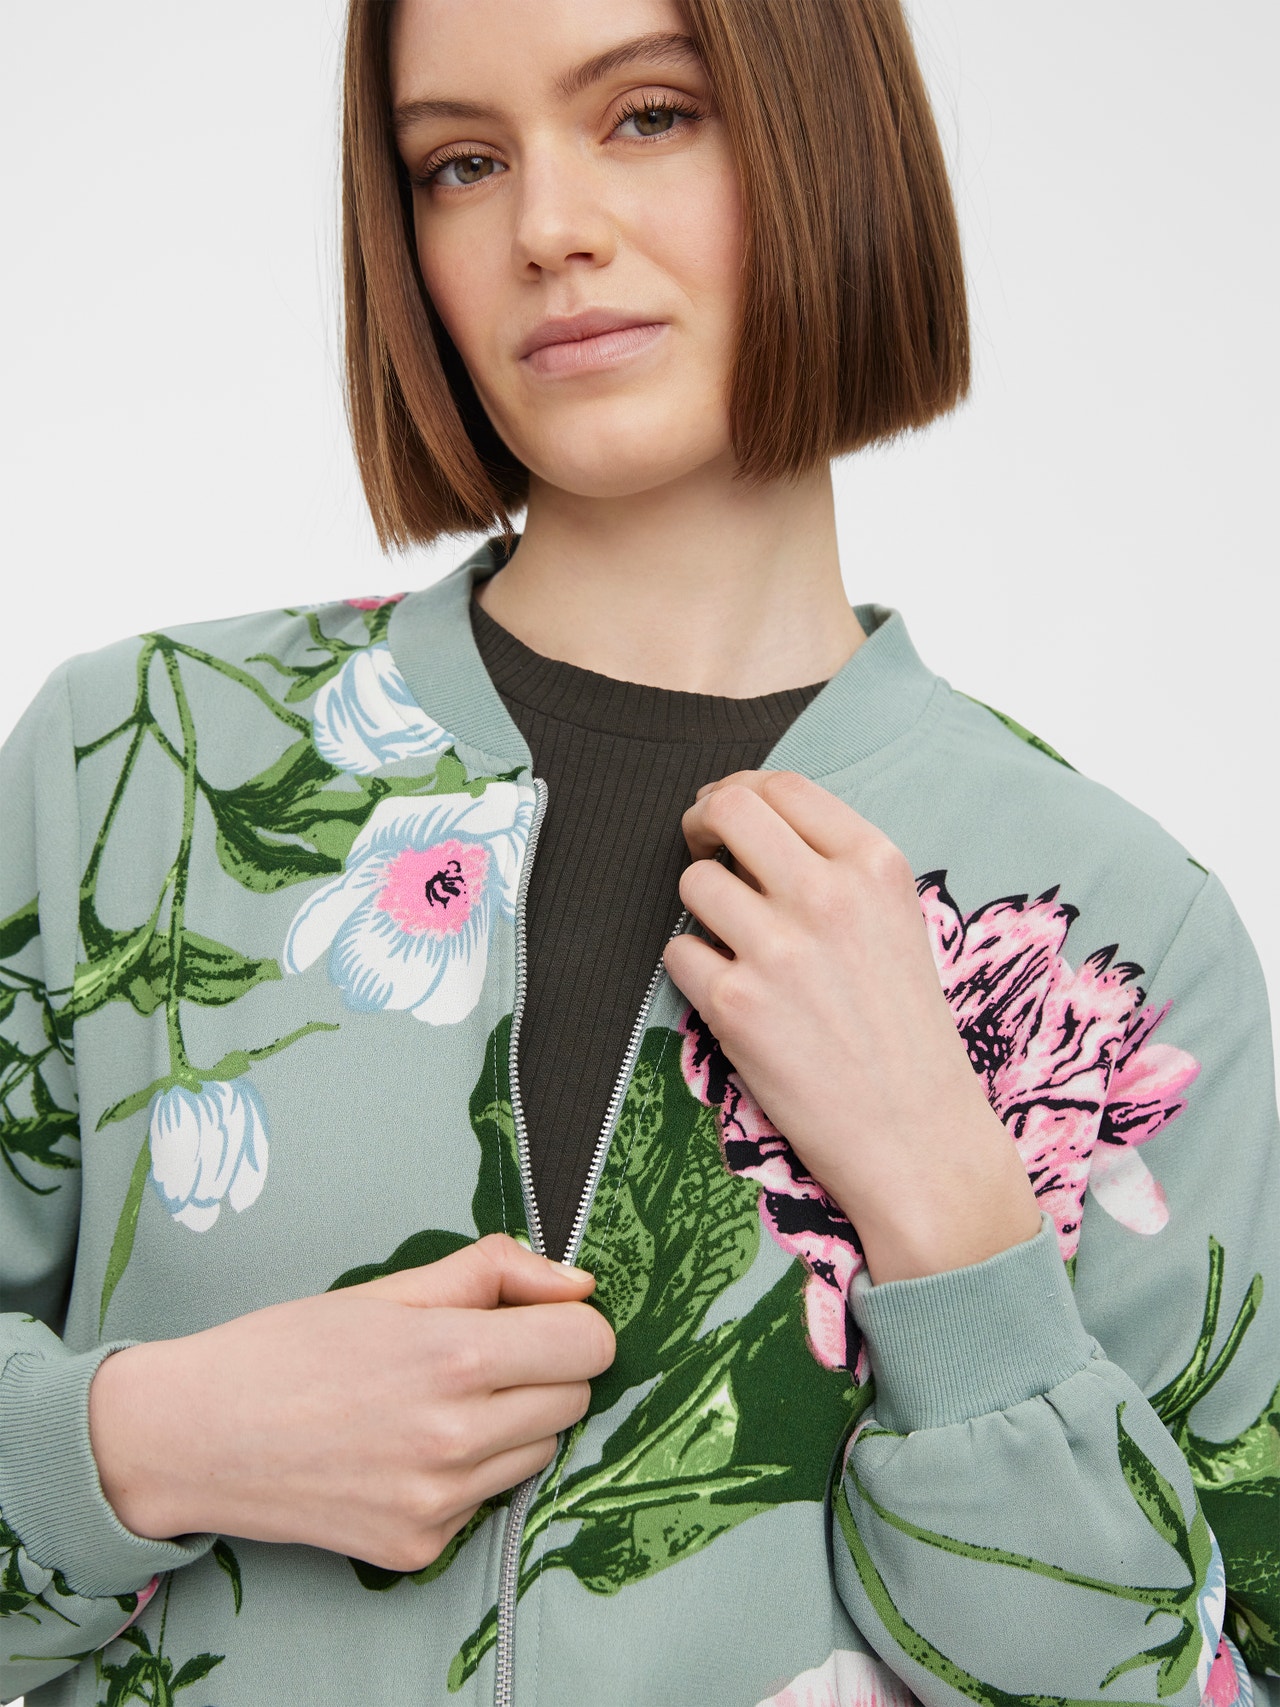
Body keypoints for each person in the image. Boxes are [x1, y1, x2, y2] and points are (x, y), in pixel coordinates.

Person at [0, 0, 1275, 1702]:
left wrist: (953, 1219)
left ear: (827, 137)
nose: (547, 227)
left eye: (650, 115)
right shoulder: (135, 770)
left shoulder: (1121, 938)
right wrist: (142, 1441)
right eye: (461, 162)